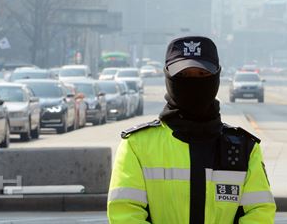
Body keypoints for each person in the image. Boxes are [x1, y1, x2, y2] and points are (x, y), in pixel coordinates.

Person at [107, 36, 276, 223]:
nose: (194, 83)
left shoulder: (245, 149)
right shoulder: (136, 145)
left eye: (202, 76)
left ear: (216, 78)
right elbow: (125, 215)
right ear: (168, 78)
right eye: (184, 76)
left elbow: (260, 213)